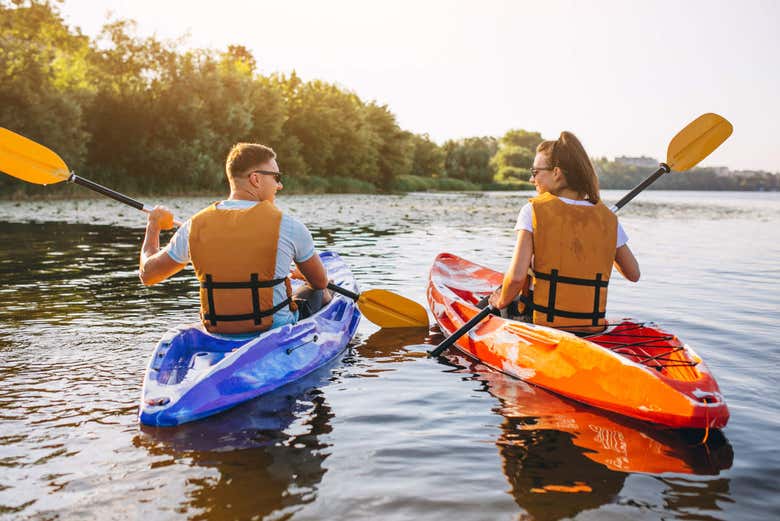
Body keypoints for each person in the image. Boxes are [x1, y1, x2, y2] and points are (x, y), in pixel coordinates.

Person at [138, 142, 330, 335]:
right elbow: (319, 282)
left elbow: (148, 274)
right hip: (274, 329)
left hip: (218, 329)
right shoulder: (289, 226)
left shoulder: (194, 225)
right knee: (322, 291)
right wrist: (304, 276)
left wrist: (153, 225)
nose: (279, 185)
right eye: (276, 177)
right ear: (256, 178)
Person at [488, 131, 640, 331]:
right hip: (590, 325)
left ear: (556, 173)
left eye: (535, 173)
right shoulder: (607, 218)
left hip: (541, 323)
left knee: (494, 298)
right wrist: (603, 241)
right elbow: (633, 273)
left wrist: (499, 303)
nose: (532, 180)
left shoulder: (533, 210)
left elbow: (516, 278)